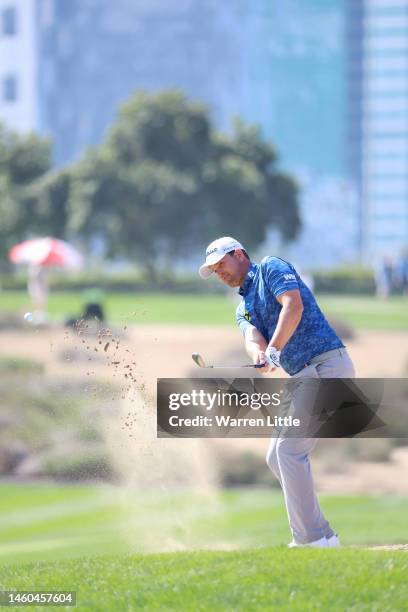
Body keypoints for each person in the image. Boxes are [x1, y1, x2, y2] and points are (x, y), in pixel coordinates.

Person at [199, 236, 355, 548]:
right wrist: (259, 353)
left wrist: (275, 348)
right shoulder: (242, 307)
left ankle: (310, 540)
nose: (220, 273)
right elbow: (252, 336)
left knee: (289, 451)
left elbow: (292, 305)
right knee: (276, 456)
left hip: (328, 366)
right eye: (214, 270)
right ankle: (323, 535)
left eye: (221, 264)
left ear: (240, 254)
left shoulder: (271, 267)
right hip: (304, 376)